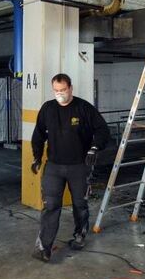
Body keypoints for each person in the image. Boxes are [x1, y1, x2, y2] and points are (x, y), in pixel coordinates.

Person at [30, 73, 110, 262]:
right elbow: (39, 135)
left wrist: (94, 148)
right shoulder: (48, 109)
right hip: (54, 167)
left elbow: (102, 130)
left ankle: (80, 234)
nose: (60, 94)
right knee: (50, 206)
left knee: (80, 204)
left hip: (79, 167)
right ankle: (44, 247)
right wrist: (36, 157)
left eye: (63, 90)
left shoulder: (84, 108)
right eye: (56, 91)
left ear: (70, 88)